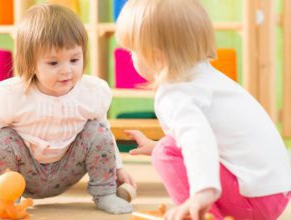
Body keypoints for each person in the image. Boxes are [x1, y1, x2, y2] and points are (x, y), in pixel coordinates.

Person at [115, 0, 291, 219]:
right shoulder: (208, 79)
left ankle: (199, 212)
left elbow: (198, 141)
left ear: (156, 57)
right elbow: (213, 139)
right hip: (273, 193)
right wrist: (156, 145)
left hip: (253, 199)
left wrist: (202, 191)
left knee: (165, 153)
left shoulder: (177, 92)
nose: (131, 57)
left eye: (133, 51)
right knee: (165, 148)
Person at [0, 3, 135, 215]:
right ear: (31, 64)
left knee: (98, 130)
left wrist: (117, 168)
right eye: (53, 63)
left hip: (67, 170)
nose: (66, 71)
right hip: (22, 176)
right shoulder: (15, 96)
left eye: (74, 60)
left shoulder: (91, 93)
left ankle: (105, 194)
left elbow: (103, 136)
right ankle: (8, 198)